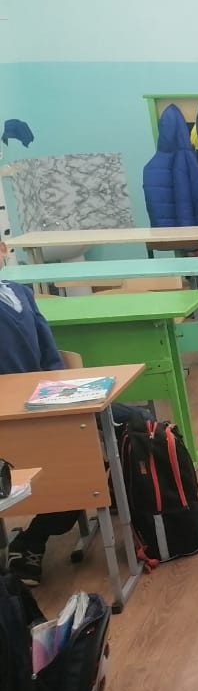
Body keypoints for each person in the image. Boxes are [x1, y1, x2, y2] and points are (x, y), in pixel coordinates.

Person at [0, 237, 81, 586]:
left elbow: (50, 355)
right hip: (7, 419)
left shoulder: (20, 293)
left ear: (3, 250)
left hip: (43, 404)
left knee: (127, 426)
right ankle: (31, 542)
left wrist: (59, 397)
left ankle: (33, 537)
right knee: (73, 468)